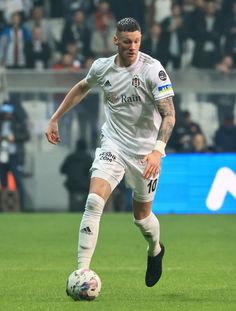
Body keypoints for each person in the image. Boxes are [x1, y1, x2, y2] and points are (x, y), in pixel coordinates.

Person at [45, 17, 175, 287]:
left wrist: (157, 151)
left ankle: (155, 250)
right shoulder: (102, 68)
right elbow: (82, 87)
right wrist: (55, 117)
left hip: (144, 154)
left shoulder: (153, 70)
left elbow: (169, 115)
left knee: (141, 219)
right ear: (116, 40)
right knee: (94, 201)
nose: (132, 47)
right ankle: (82, 272)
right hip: (113, 145)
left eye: (137, 41)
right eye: (127, 42)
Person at [60, 139, 93, 212]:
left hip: (72, 185)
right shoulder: (88, 158)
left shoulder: (70, 157)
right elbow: (93, 171)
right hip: (85, 186)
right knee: (84, 204)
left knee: (72, 202)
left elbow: (62, 170)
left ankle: (72, 210)